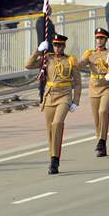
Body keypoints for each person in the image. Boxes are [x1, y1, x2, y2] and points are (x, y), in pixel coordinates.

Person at [25, 34, 81, 174]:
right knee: (50, 130)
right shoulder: (47, 58)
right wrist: (38, 51)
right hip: (50, 96)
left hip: (64, 96)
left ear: (64, 46)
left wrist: (76, 101)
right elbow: (28, 65)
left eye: (60, 45)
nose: (57, 48)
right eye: (55, 45)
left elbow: (78, 83)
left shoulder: (70, 60)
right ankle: (52, 158)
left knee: (57, 124)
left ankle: (55, 158)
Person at [78, 28, 109, 157]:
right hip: (94, 87)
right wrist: (73, 63)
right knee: (97, 118)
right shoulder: (90, 53)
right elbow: (81, 64)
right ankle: (101, 143)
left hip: (107, 87)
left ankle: (102, 141)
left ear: (106, 40)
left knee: (103, 111)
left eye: (102, 38)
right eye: (97, 38)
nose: (99, 40)